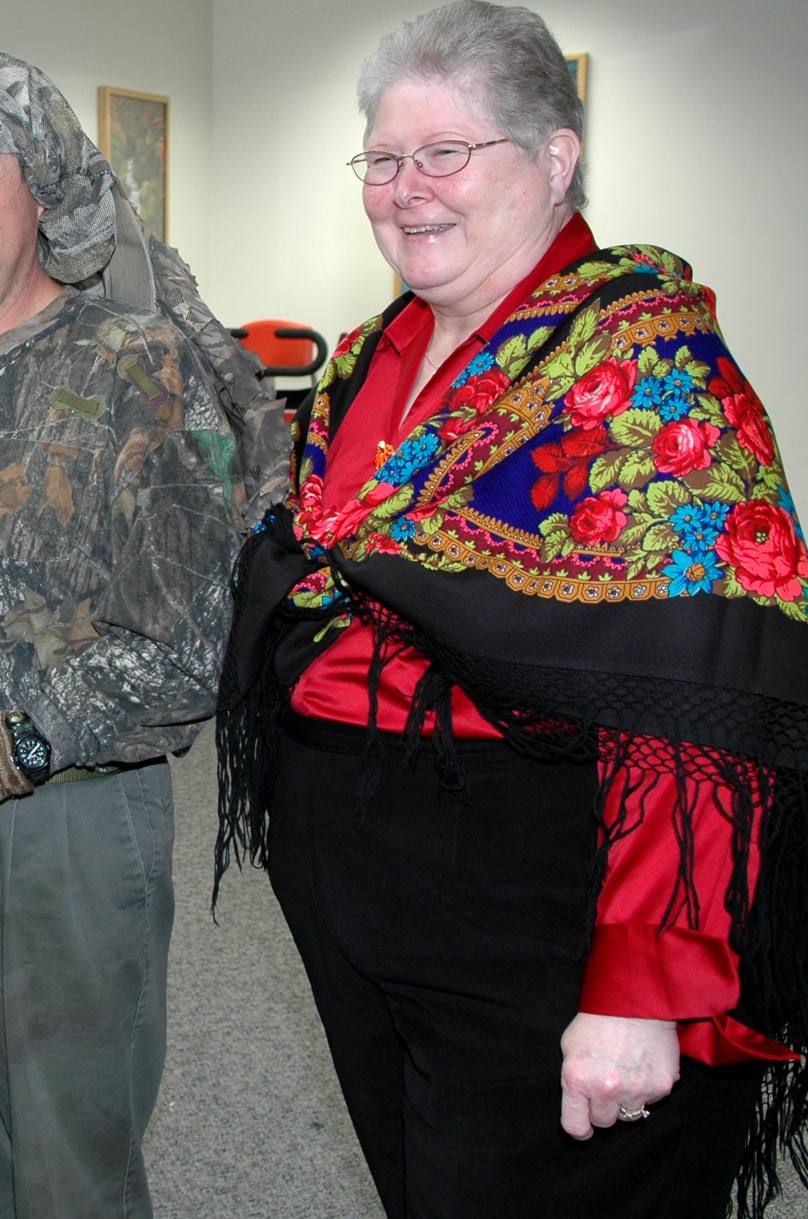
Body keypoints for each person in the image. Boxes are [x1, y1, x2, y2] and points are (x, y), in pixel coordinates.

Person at [214, 3, 808, 1216]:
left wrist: (639, 986)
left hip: (532, 875)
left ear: (552, 160)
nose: (403, 190)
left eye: (445, 153)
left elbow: (691, 691)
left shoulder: (639, 369)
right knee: (425, 1180)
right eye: (381, 160)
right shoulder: (369, 356)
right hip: (359, 864)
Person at [0, 53, 285, 1216]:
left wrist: (17, 743)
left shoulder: (138, 368)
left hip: (66, 822)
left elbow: (192, 642)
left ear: (43, 190)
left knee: (68, 1154)